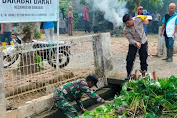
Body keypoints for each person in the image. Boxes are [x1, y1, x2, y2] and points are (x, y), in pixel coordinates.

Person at [123, 14, 152, 80]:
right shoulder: (126, 29)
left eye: (128, 23)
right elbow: (130, 39)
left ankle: (144, 73)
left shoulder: (138, 19)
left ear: (131, 20)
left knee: (143, 57)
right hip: (134, 43)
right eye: (125, 23)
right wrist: (136, 43)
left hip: (143, 41)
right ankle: (128, 73)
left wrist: (147, 19)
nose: (127, 25)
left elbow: (149, 16)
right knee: (130, 59)